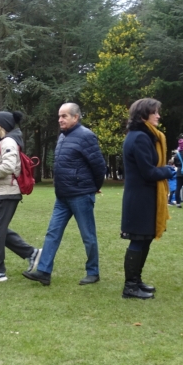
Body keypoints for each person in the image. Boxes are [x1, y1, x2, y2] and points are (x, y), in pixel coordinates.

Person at [23, 103, 106, 286]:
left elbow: (99, 166)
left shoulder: (86, 136)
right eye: (59, 116)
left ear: (76, 117)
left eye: (64, 116)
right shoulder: (62, 137)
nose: (60, 119)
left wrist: (93, 187)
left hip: (81, 195)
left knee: (88, 235)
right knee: (52, 233)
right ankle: (44, 272)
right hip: (62, 196)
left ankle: (93, 272)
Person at [119, 98, 175, 299]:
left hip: (144, 197)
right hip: (140, 199)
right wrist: (168, 171)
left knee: (144, 240)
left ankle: (137, 281)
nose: (158, 115)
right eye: (155, 112)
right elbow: (148, 172)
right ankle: (130, 287)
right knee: (138, 241)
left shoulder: (142, 136)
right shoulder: (140, 138)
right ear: (143, 115)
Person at [0, 111, 40, 283]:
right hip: (1, 192)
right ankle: (32, 253)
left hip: (5, 193)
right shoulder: (2, 141)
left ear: (2, 125)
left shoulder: (8, 142)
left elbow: (8, 165)